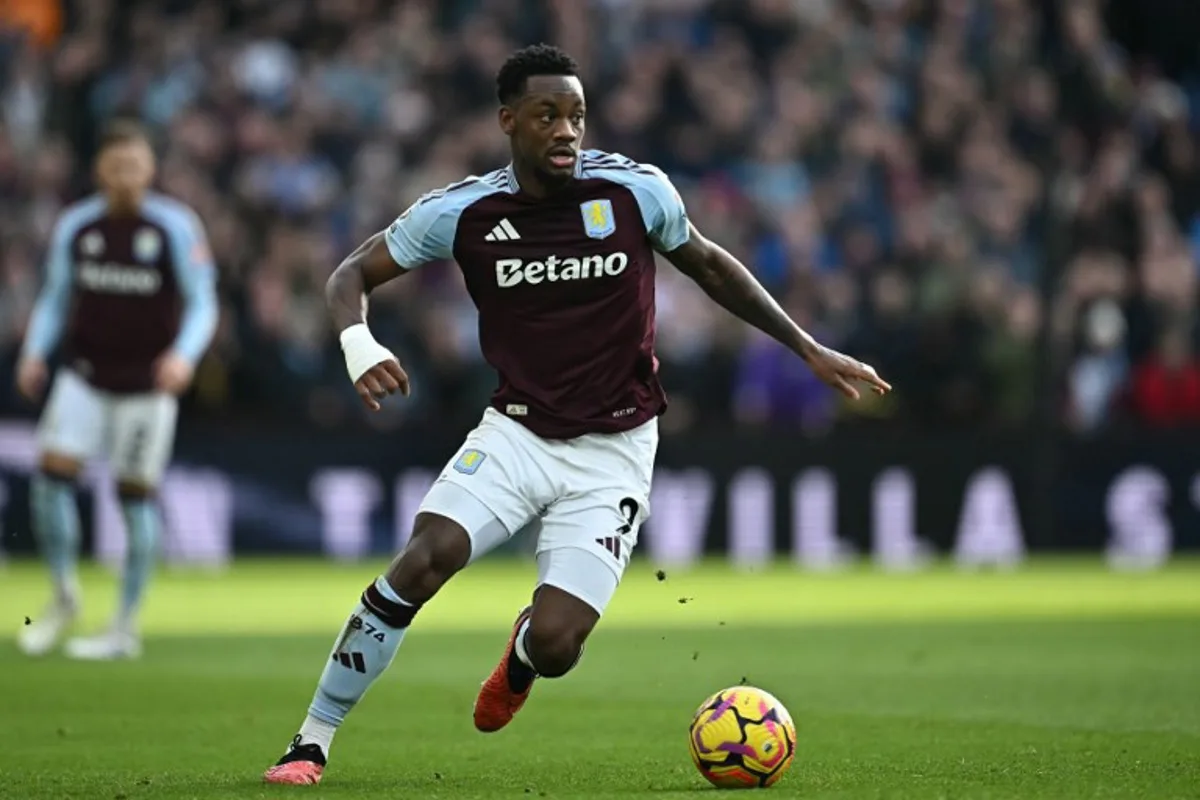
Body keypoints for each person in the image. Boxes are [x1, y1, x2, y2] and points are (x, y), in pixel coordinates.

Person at [264, 44, 889, 786]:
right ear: (508, 120)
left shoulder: (635, 194)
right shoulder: (463, 212)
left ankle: (524, 655)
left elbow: (711, 263)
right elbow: (351, 274)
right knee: (425, 558)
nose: (567, 131)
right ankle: (311, 740)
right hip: (517, 431)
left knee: (560, 644)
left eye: (578, 116)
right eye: (548, 115)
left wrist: (805, 346)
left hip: (615, 449)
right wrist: (358, 341)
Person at [15, 120, 219, 661]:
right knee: (50, 481)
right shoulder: (77, 225)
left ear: (150, 169)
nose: (127, 176)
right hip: (84, 376)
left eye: (136, 165)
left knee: (134, 501)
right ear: (99, 170)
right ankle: (62, 596)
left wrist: (184, 355)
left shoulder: (175, 226)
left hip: (146, 387)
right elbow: (57, 296)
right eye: (117, 166)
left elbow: (203, 302)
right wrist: (35, 350)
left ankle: (124, 625)